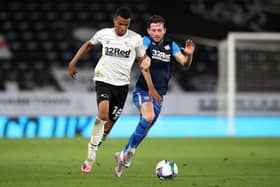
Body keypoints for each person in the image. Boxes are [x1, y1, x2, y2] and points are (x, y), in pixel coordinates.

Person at [68, 7, 160, 173]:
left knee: (108, 128)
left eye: (125, 25)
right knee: (102, 115)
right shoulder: (104, 34)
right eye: (119, 24)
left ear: (129, 23)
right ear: (114, 21)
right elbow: (88, 45)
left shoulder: (135, 39)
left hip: (122, 86)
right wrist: (73, 63)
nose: (122, 28)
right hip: (103, 79)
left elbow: (143, 64)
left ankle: (96, 144)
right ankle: (90, 156)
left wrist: (151, 87)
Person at [113, 15, 195, 177]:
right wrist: (150, 88)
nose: (156, 32)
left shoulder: (171, 46)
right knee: (149, 117)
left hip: (158, 95)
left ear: (164, 30)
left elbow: (184, 64)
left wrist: (190, 55)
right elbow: (144, 66)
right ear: (148, 31)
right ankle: (130, 152)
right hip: (144, 90)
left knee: (146, 128)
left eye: (159, 30)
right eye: (153, 30)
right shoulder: (145, 42)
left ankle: (122, 155)